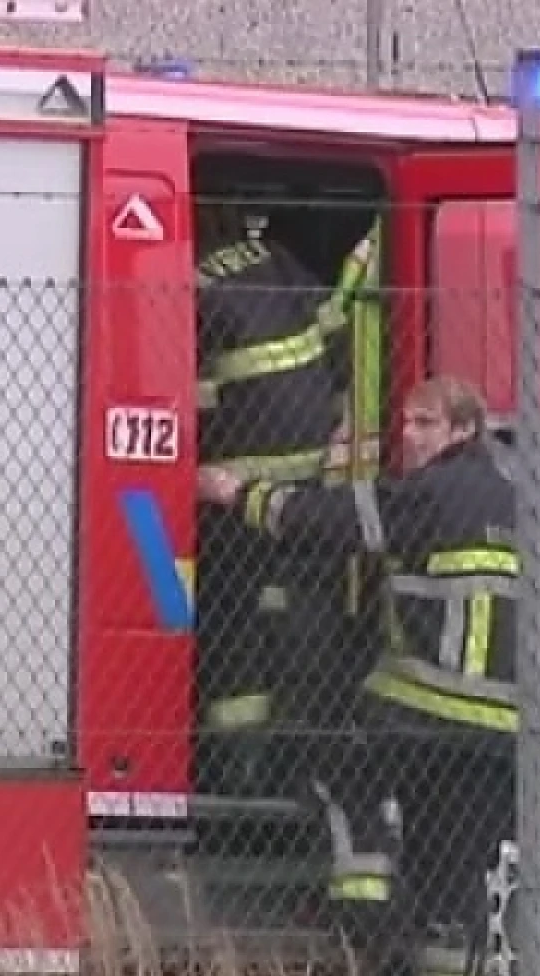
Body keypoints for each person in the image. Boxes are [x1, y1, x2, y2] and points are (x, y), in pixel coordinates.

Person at [198, 375, 540, 976]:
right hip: (499, 738)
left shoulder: (431, 494)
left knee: (330, 771)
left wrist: (239, 493)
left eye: (425, 424)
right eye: (407, 422)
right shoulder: (532, 510)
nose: (409, 436)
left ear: (463, 432)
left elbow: (331, 522)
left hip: (419, 721)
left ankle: (378, 934)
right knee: (456, 894)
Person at [192, 194, 346, 791]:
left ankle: (234, 777)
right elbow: (333, 349)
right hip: (308, 491)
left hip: (233, 493)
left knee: (230, 627)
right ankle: (290, 770)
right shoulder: (281, 261)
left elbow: (194, 402)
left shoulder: (197, 283)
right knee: (291, 623)